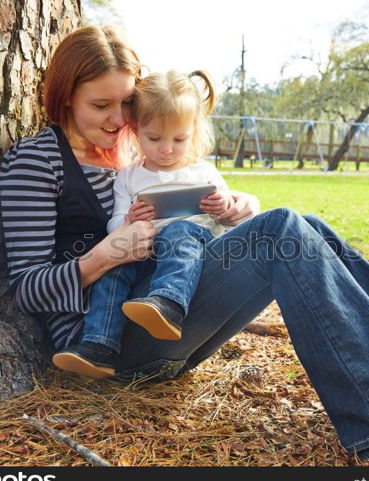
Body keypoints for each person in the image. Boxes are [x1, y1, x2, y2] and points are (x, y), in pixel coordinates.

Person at [0, 25, 369, 465]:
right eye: (102, 106)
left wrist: (234, 209)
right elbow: (26, 290)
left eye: (127, 106)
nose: (120, 121)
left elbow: (192, 230)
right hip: (110, 343)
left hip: (172, 315)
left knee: (304, 225)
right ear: (64, 96)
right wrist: (107, 253)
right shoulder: (37, 162)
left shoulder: (136, 153)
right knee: (285, 229)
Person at [52, 69, 235, 378]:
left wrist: (222, 206)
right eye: (154, 138)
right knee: (114, 269)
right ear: (136, 131)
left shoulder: (203, 172)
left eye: (179, 139)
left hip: (188, 259)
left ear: (194, 132)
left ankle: (168, 305)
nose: (167, 149)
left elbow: (225, 222)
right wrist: (129, 220)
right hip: (144, 254)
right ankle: (98, 346)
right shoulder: (130, 176)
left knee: (179, 231)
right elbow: (114, 226)